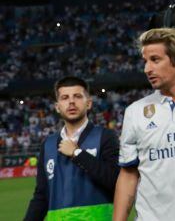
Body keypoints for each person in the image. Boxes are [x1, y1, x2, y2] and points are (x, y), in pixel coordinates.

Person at [113, 28, 175, 221]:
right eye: (145, 61)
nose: (147, 69)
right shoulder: (135, 112)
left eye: (155, 60)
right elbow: (128, 175)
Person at [24, 76, 120, 221]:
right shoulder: (48, 144)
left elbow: (116, 181)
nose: (71, 102)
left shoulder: (106, 137)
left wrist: (77, 153)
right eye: (64, 97)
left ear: (88, 103)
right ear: (57, 107)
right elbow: (42, 196)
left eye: (77, 96)